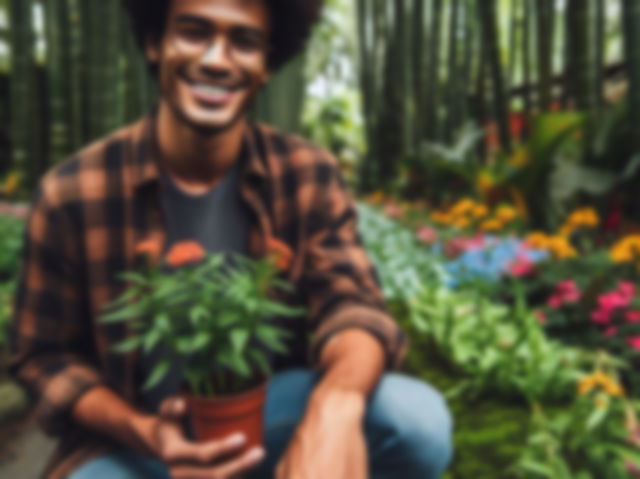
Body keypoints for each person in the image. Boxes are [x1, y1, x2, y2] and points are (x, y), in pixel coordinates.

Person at [9, 0, 453, 477]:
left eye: (244, 41)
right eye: (194, 32)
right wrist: (147, 431)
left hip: (264, 423)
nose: (217, 60)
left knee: (415, 424)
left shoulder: (306, 173)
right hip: (132, 445)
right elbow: (43, 357)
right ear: (153, 43)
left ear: (267, 64)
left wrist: (335, 407)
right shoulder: (72, 192)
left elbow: (353, 305)